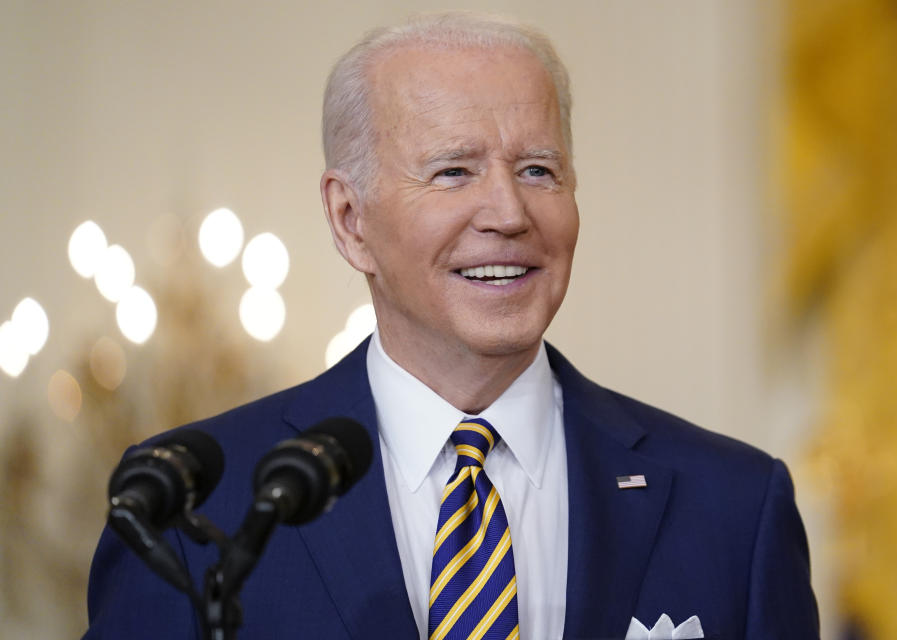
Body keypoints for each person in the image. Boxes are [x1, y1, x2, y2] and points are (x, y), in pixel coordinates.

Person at [85, 12, 819, 640]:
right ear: (351, 221)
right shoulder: (195, 512)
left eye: (538, 170)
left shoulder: (734, 509)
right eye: (453, 172)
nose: (508, 213)